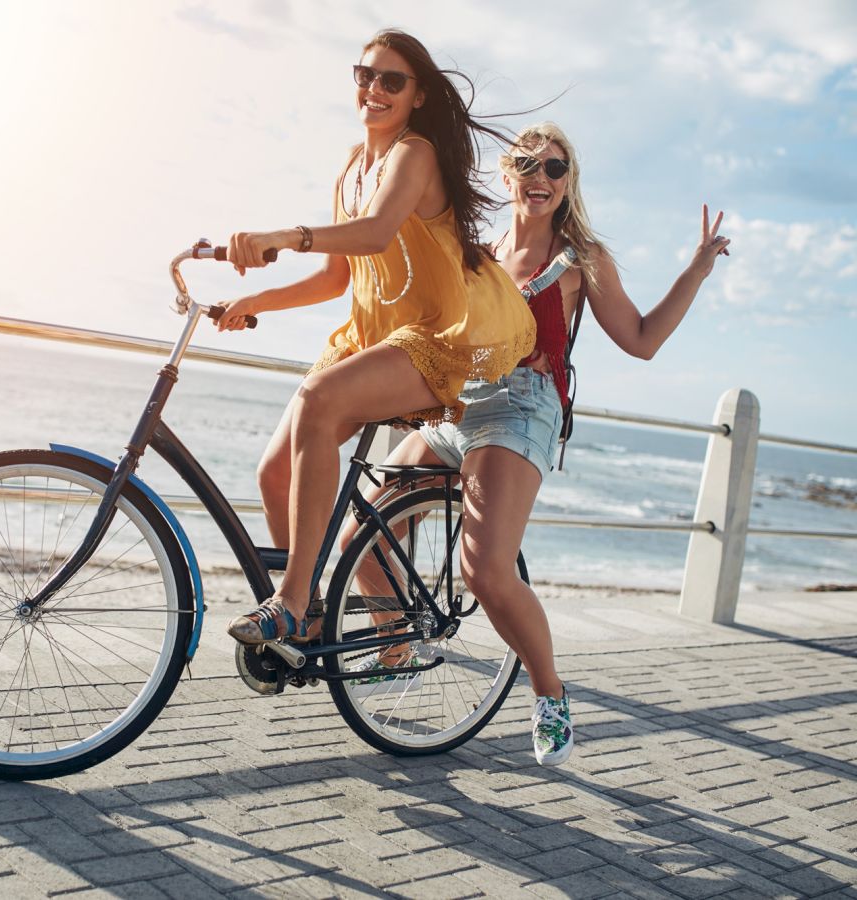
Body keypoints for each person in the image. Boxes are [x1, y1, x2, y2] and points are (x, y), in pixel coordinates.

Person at [348, 121, 731, 767]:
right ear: (509, 175)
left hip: (523, 409)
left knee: (485, 569)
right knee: (371, 518)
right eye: (529, 164)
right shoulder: (481, 253)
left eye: (556, 168)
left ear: (567, 183)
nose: (542, 177)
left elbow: (641, 340)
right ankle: (396, 642)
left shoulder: (581, 259)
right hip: (461, 403)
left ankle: (550, 694)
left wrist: (694, 271)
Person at [213, 29, 536, 647]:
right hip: (366, 337)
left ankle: (292, 599)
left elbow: (376, 233)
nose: (374, 89)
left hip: (431, 338)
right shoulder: (350, 168)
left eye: (392, 80)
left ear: (417, 96)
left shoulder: (414, 153)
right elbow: (337, 278)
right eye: (364, 75)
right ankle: (369, 626)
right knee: (273, 474)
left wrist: (282, 235)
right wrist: (255, 300)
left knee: (316, 402)